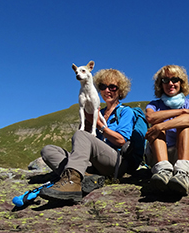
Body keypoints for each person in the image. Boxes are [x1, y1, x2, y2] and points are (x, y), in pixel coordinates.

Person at [39, 68, 145, 202]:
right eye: (103, 87)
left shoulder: (125, 112)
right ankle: (88, 178)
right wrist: (88, 125)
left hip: (116, 161)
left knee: (81, 135)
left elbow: (121, 140)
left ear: (120, 90)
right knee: (49, 150)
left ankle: (72, 182)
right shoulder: (98, 111)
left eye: (112, 87)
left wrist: (100, 126)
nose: (107, 90)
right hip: (95, 162)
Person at [144, 65, 189, 196]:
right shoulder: (154, 104)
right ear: (160, 84)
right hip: (158, 156)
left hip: (181, 153)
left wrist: (161, 126)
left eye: (175, 80)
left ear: (181, 83)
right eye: (165, 80)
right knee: (157, 124)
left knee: (184, 127)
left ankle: (182, 173)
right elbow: (150, 117)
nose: (170, 83)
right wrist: (182, 111)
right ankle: (163, 171)